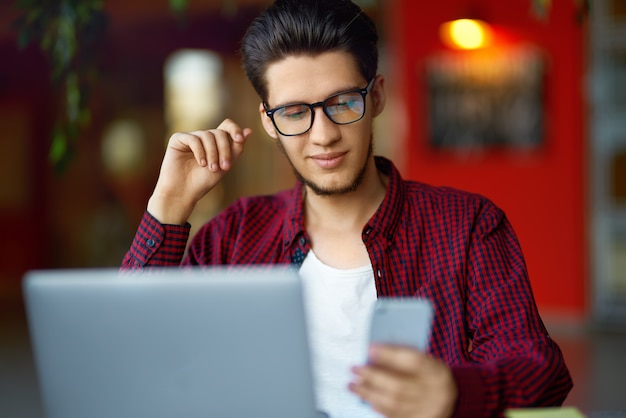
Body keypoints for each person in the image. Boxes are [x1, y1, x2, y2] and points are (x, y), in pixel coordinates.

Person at [122, 0, 573, 417]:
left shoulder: (468, 225)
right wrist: (168, 207)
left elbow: (542, 375)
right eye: (295, 112)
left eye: (342, 103)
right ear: (268, 121)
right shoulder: (232, 237)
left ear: (375, 97)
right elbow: (133, 357)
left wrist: (457, 393)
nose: (323, 136)